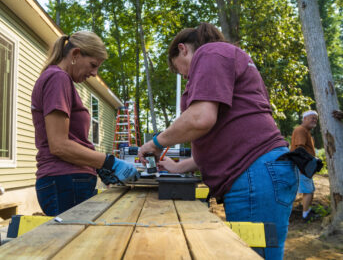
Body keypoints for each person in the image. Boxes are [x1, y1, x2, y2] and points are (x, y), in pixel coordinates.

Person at [138, 22, 298, 260]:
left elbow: (201, 118)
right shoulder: (228, 57)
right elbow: (229, 133)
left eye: (179, 70)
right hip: (260, 171)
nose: (184, 75)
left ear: (182, 49)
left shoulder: (210, 52)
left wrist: (155, 143)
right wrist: (180, 166)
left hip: (255, 172)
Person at [31, 32, 139, 216]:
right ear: (75, 54)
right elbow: (59, 146)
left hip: (67, 181)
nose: (94, 73)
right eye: (93, 65)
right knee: (75, 244)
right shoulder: (58, 78)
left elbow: (71, 140)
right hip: (65, 181)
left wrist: (98, 166)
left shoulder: (59, 79)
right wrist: (110, 163)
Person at [290, 110, 319, 221]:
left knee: (308, 190)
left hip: (306, 166)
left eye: (316, 119)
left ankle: (306, 211)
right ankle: (305, 215)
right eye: (312, 118)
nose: (314, 120)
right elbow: (299, 149)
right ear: (304, 119)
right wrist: (303, 166)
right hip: (302, 166)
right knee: (308, 191)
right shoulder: (300, 130)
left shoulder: (306, 131)